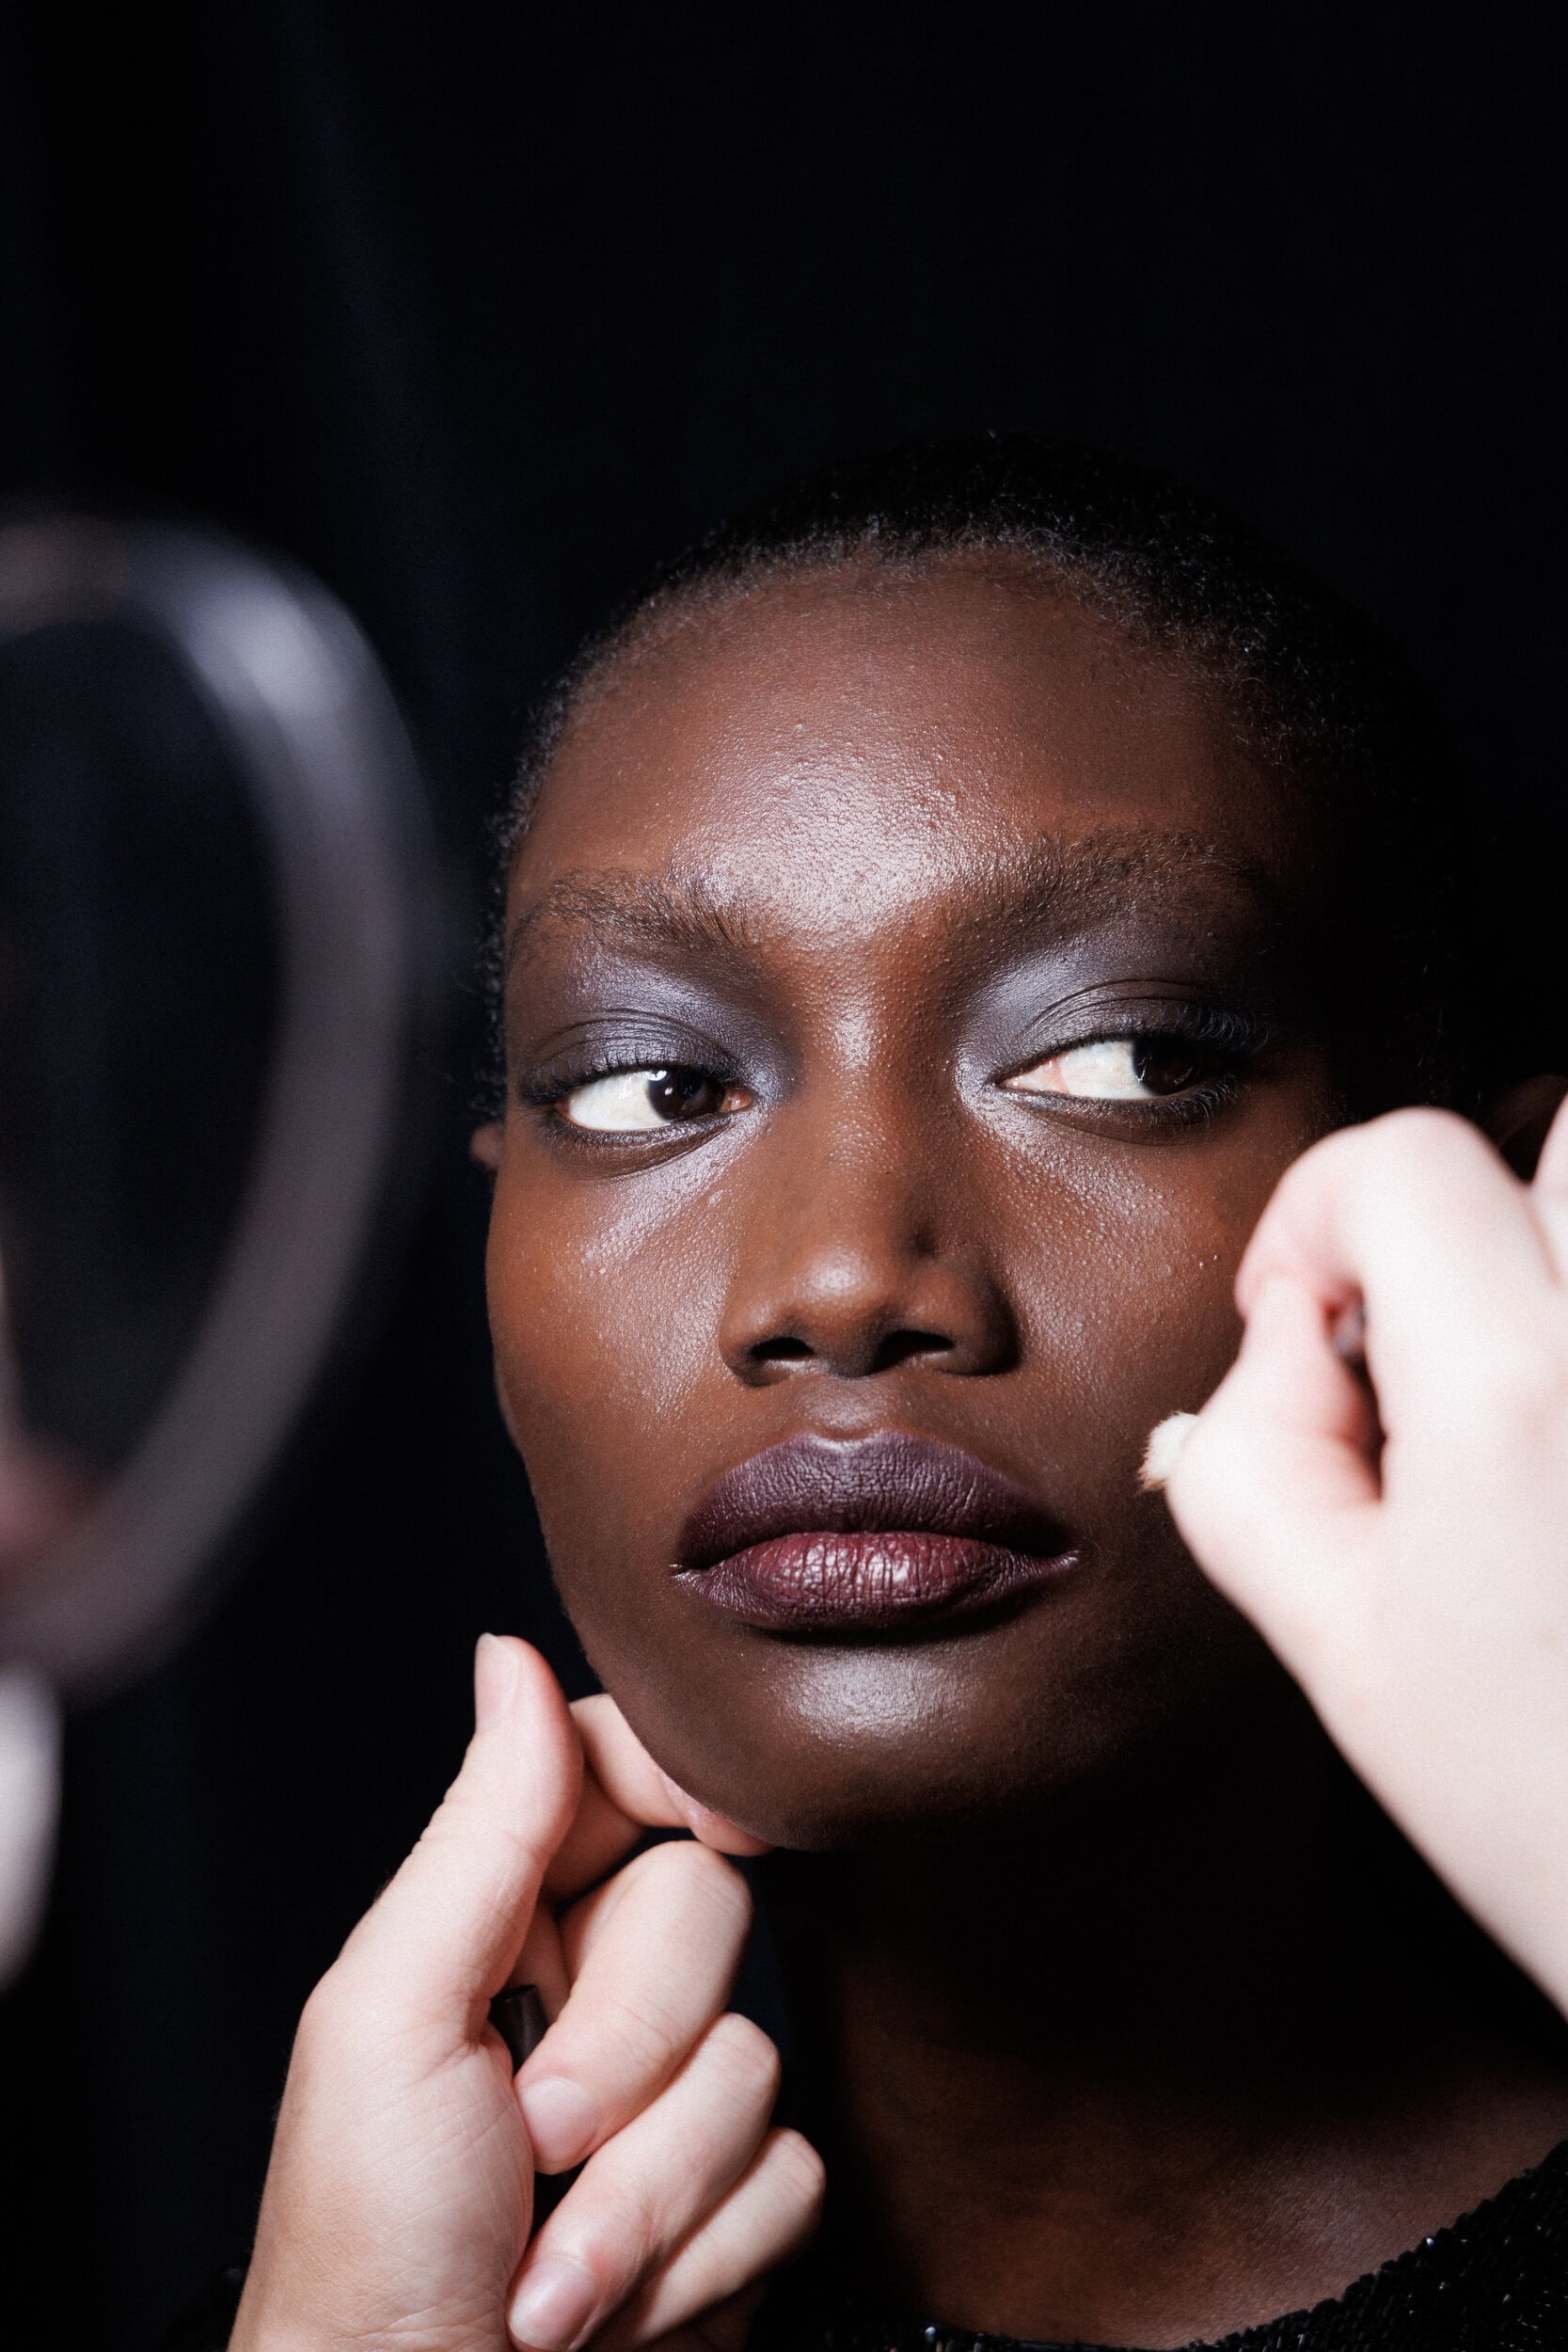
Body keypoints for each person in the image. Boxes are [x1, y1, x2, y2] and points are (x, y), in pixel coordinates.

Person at [237, 438, 1568, 2351]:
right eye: (648, 1089)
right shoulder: (366, 2311)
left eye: (1117, 1051)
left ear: (1504, 1228)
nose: (843, 1277)